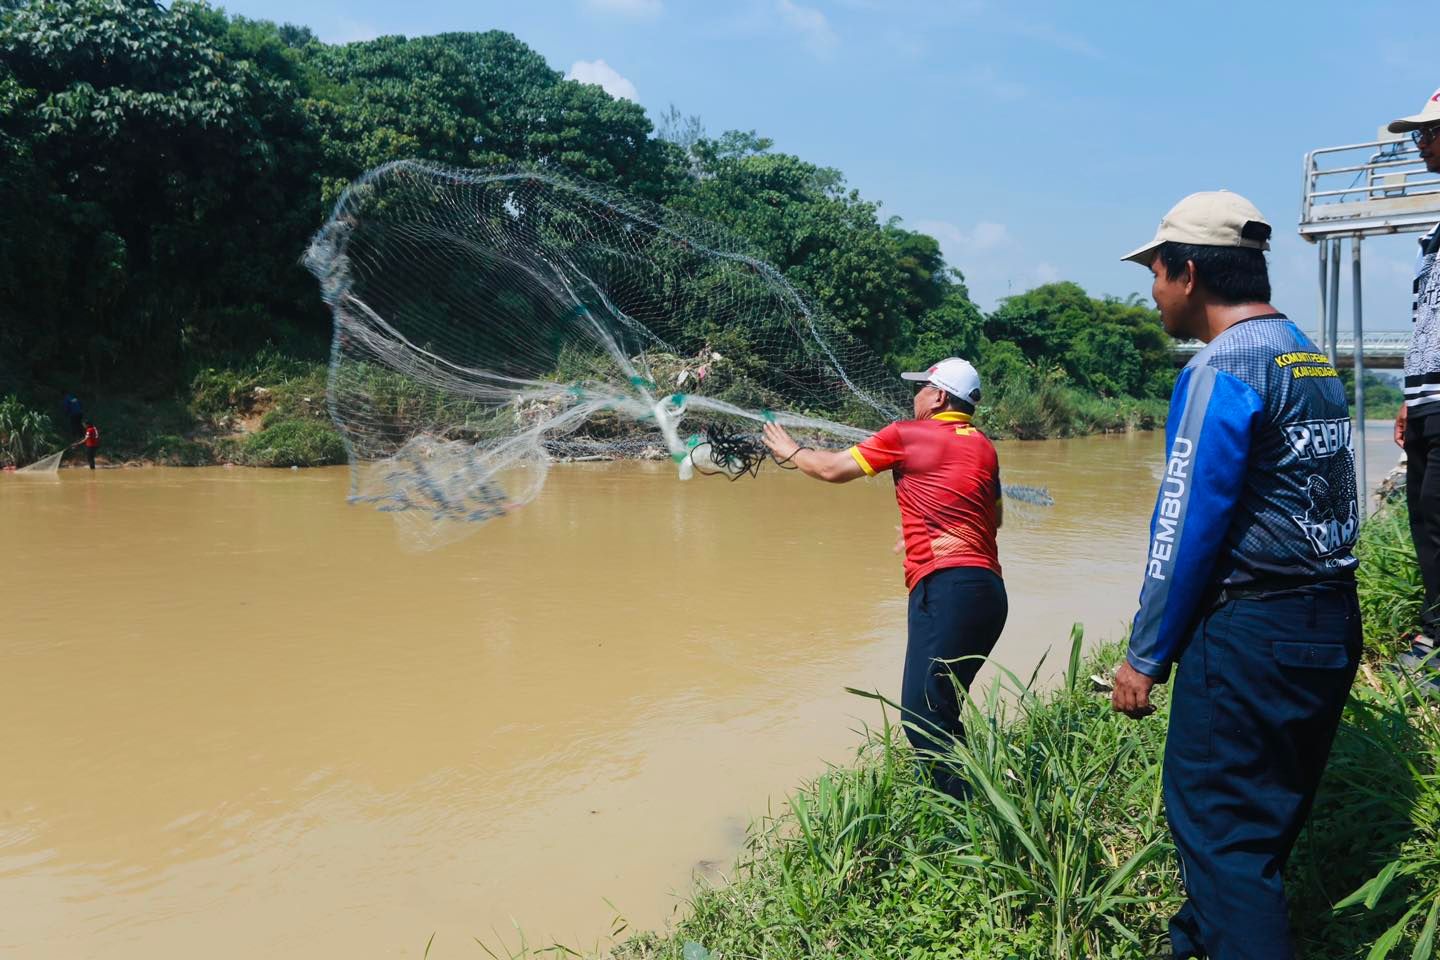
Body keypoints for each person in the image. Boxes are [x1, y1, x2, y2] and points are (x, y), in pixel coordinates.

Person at [1112, 191, 1362, 959]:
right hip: (1329, 622)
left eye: (1154, 273)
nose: (1151, 292)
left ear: (1187, 273)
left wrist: (1145, 655)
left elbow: (1185, 526)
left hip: (1253, 634)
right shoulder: (1304, 352)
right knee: (1261, 823)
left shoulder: (1221, 369)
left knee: (1221, 836)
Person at [760, 357, 1006, 800]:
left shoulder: (907, 434)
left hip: (945, 590)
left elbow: (832, 470)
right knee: (941, 712)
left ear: (939, 397)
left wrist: (791, 451)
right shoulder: (984, 446)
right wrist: (924, 529)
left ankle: (967, 823)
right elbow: (994, 519)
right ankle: (978, 805)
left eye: (921, 389)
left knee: (921, 717)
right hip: (988, 595)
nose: (915, 397)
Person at [1389, 88, 1440, 676]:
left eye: (1429, 133)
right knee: (1425, 516)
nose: (1421, 144)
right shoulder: (1434, 231)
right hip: (1428, 399)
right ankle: (1435, 632)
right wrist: (1408, 398)